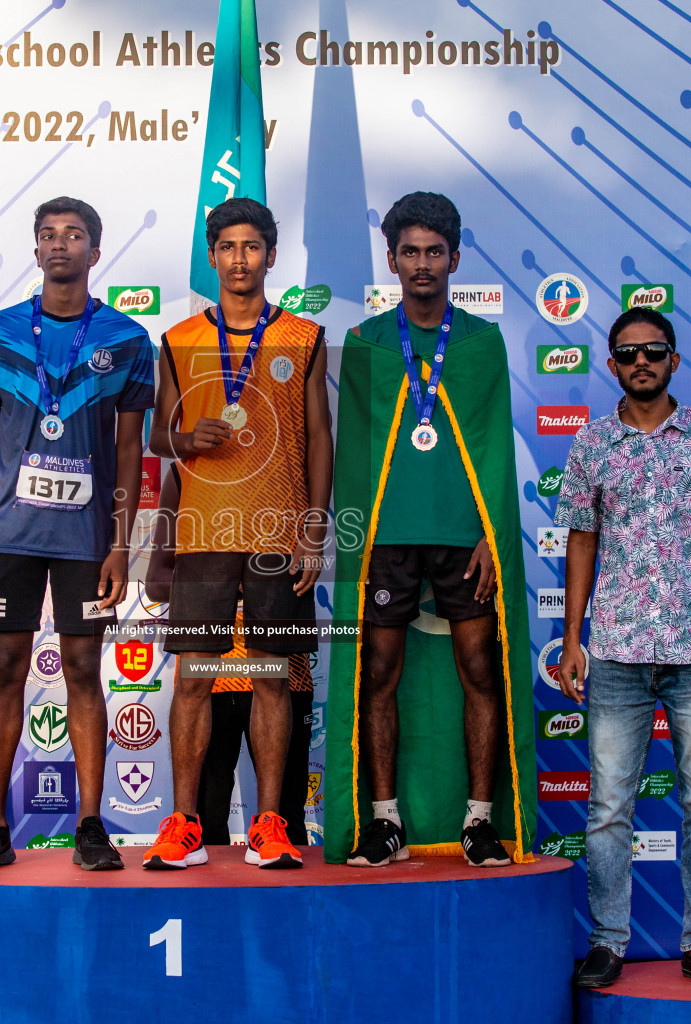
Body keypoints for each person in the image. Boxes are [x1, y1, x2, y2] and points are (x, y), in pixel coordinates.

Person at [555, 307, 691, 989]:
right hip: (614, 651)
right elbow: (581, 539)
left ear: (674, 359)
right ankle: (609, 942)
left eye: (654, 350)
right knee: (609, 807)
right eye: (628, 352)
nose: (642, 361)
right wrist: (574, 638)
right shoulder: (591, 444)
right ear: (611, 364)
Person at [0, 197, 155, 871]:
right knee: (6, 668)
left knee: (82, 671)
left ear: (96, 253)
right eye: (48, 236)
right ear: (36, 252)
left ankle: (91, 825)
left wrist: (122, 542)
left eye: (74, 235)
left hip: (87, 539)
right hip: (9, 533)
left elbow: (131, 451)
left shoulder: (126, 341)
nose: (60, 245)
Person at [332, 192, 532, 871]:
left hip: (463, 537)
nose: (422, 265)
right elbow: (354, 457)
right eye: (410, 252)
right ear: (391, 260)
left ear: (454, 257)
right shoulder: (365, 344)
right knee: (378, 674)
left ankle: (480, 820)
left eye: (434, 252)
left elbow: (495, 454)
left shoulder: (480, 343)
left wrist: (493, 533)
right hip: (387, 539)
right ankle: (384, 821)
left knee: (480, 668)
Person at [144, 197, 330, 869]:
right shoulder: (180, 339)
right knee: (194, 677)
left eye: (254, 246)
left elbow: (318, 435)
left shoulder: (302, 337)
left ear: (271, 256)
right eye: (228, 246)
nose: (241, 258)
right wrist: (186, 437)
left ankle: (272, 824)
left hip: (279, 532)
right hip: (202, 535)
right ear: (213, 255)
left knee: (271, 678)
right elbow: (158, 433)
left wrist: (313, 526)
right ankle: (185, 824)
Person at [145, 463, 314, 842]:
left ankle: (291, 896)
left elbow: (309, 565)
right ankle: (202, 900)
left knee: (287, 820)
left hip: (283, 674)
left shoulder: (290, 472)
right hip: (211, 679)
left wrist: (259, 588)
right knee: (203, 826)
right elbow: (155, 581)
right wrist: (220, 588)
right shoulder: (182, 475)